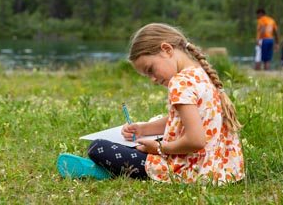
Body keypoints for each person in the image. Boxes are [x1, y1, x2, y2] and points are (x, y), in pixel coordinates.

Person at [57, 23, 245, 185]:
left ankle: (106, 171)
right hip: (223, 169)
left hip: (192, 171)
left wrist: (159, 149)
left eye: (151, 70)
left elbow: (196, 140)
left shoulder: (179, 82)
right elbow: (185, 120)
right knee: (150, 130)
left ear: (167, 50)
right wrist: (143, 129)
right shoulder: (200, 72)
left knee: (97, 147)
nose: (153, 79)